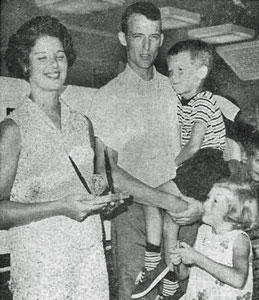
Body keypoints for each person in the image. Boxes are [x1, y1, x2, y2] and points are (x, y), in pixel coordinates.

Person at [0, 15, 127, 300]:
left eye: (59, 56)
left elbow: (93, 184)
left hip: (88, 256)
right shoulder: (13, 129)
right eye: (42, 57)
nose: (54, 65)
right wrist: (60, 207)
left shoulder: (82, 123)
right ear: (25, 65)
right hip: (40, 263)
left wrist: (104, 202)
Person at [87, 2, 184, 300]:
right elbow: (107, 171)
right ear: (123, 38)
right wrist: (168, 201)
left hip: (177, 219)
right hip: (132, 217)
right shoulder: (107, 97)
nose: (146, 46)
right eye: (138, 36)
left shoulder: (175, 89)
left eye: (154, 37)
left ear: (162, 39)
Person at [170, 180, 258, 300]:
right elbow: (184, 275)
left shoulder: (239, 239)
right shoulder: (203, 231)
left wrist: (197, 258)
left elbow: (238, 280)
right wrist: (178, 262)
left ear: (233, 213)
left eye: (215, 201)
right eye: (208, 198)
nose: (205, 204)